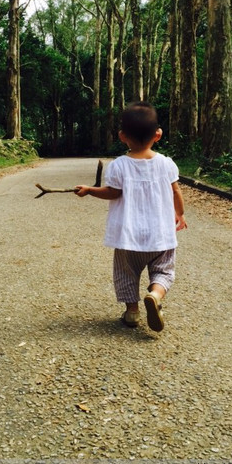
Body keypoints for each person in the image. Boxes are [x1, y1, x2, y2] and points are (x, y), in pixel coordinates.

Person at [75, 102, 187, 332]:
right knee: (164, 270)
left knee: (126, 273)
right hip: (161, 234)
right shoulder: (167, 164)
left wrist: (90, 190)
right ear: (158, 135)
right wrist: (180, 214)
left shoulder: (119, 166)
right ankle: (155, 295)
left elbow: (112, 192)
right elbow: (176, 191)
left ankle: (132, 312)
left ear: (122, 136)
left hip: (129, 236)